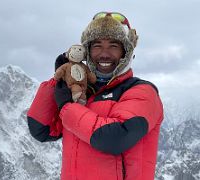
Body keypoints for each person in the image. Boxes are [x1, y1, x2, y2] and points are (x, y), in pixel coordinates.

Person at [27, 11, 163, 180]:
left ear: (126, 53)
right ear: (87, 52)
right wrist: (60, 80)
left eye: (114, 45)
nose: (104, 53)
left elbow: (114, 138)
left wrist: (67, 107)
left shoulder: (142, 92)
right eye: (97, 45)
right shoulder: (84, 92)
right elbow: (41, 130)